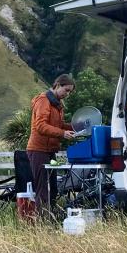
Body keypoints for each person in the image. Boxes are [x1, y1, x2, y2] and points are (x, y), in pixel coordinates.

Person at [26, 74, 76, 217]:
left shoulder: (57, 104)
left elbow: (58, 125)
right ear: (57, 85)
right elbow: (40, 126)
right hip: (38, 150)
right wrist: (62, 133)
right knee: (42, 188)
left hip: (51, 151)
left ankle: (51, 216)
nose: (67, 94)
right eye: (66, 90)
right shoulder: (43, 101)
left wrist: (76, 127)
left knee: (53, 187)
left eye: (70, 92)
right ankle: (42, 221)